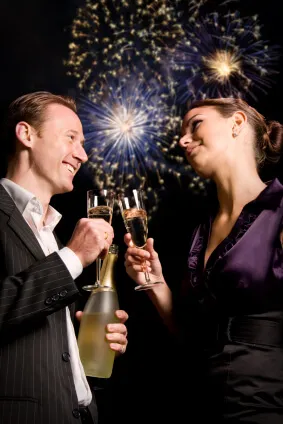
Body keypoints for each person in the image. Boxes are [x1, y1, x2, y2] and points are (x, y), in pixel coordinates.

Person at [124, 97, 283, 423]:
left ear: (237, 123)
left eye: (195, 124)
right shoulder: (200, 229)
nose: (182, 140)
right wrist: (153, 282)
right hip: (199, 402)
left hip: (264, 407)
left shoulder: (280, 210)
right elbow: (188, 336)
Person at [0, 91, 128, 424]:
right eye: (71, 138)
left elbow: (27, 320)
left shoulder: (52, 235)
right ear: (26, 134)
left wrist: (78, 336)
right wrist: (73, 256)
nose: (82, 154)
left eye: (83, 143)